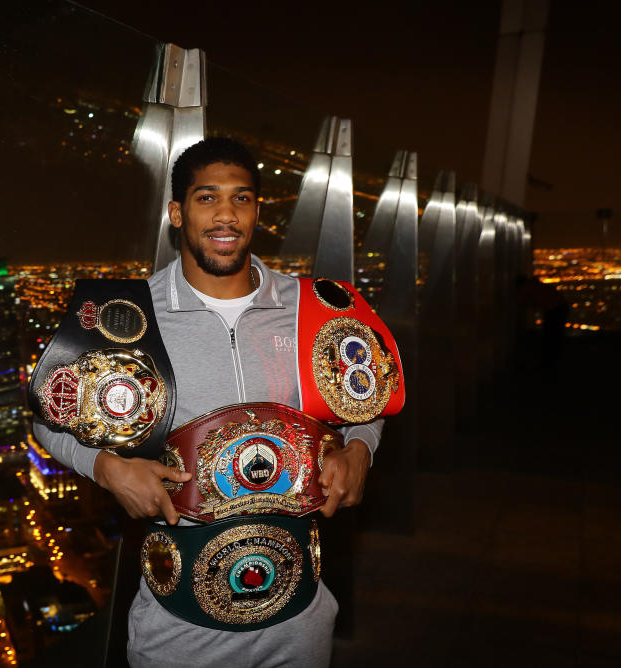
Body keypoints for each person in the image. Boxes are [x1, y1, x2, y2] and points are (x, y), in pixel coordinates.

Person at [34, 137, 383, 667]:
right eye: (206, 198)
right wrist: (106, 467)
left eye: (241, 199)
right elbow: (48, 419)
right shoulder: (130, 317)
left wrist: (360, 449)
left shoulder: (312, 307)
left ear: (258, 212)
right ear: (177, 213)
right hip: (178, 630)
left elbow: (365, 397)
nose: (226, 214)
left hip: (301, 621)